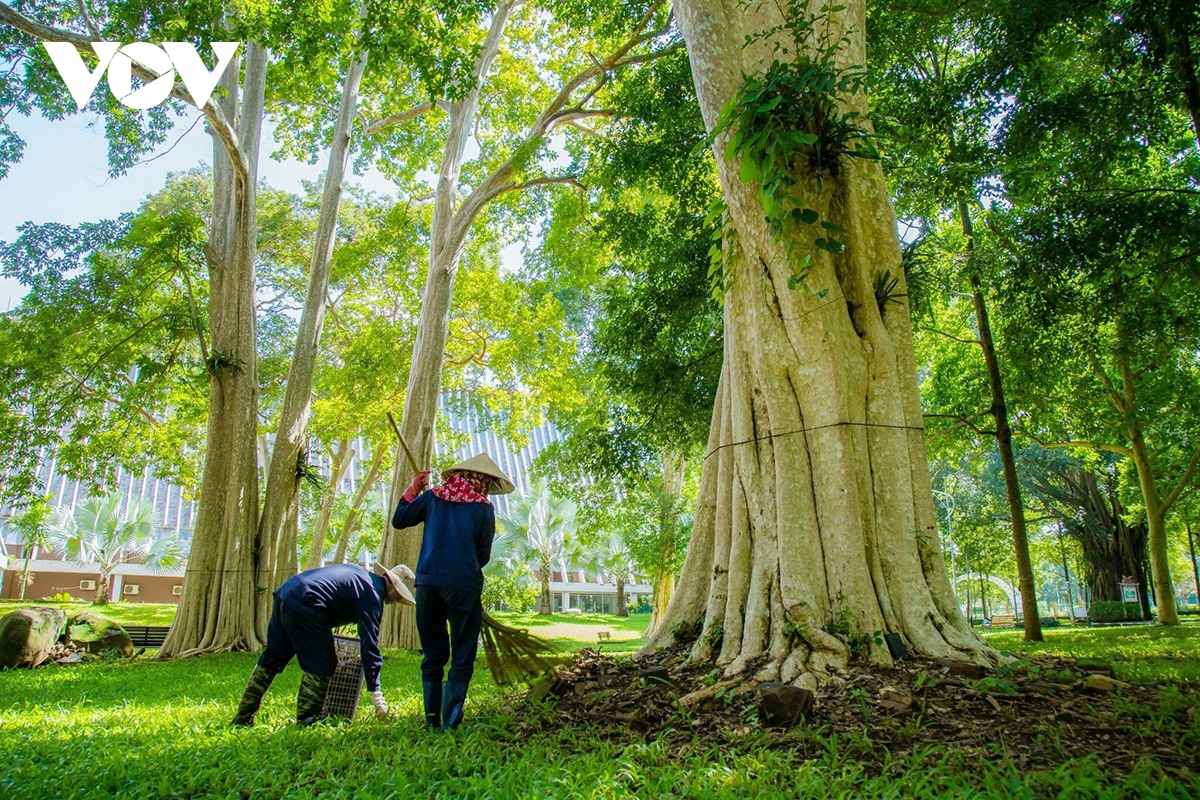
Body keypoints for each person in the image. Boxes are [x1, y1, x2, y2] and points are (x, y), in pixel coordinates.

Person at [393, 453, 514, 730]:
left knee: (433, 654)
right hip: (463, 586)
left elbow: (400, 519)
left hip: (427, 585)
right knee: (462, 653)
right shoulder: (484, 508)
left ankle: (431, 721)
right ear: (482, 480)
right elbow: (482, 556)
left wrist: (414, 488)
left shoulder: (433, 496)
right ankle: (451, 722)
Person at [231, 562, 415, 726]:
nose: (393, 601)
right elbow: (369, 644)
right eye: (397, 595)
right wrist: (376, 694)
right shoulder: (374, 594)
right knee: (323, 663)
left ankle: (242, 717)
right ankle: (307, 720)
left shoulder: (360, 575)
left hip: (287, 592)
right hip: (309, 601)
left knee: (273, 657)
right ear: (391, 585)